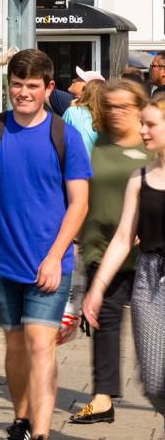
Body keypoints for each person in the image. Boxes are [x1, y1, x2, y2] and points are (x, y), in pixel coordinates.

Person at [0, 49, 91, 440]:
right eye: (17, 85)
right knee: (14, 346)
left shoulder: (65, 136)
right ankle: (22, 420)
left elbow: (79, 204)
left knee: (39, 345)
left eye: (33, 85)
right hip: (3, 262)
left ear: (49, 88)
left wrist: (53, 257)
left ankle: (42, 433)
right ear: (8, 85)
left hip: (50, 262)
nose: (24, 93)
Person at [69, 79, 149, 425]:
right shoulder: (98, 142)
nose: (116, 113)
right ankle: (102, 398)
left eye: (124, 107)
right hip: (102, 250)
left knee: (151, 331)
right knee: (103, 322)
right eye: (110, 106)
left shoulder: (154, 145)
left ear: (139, 109)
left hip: (147, 254)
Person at [84, 93, 165, 434]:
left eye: (150, 125)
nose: (143, 131)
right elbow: (121, 238)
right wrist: (97, 289)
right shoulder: (140, 177)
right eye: (142, 123)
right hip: (149, 277)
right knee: (154, 380)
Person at [63, 78, 105, 158]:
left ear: (86, 93)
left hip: (78, 165)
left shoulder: (72, 112)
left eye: (84, 89)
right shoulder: (108, 116)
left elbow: (59, 139)